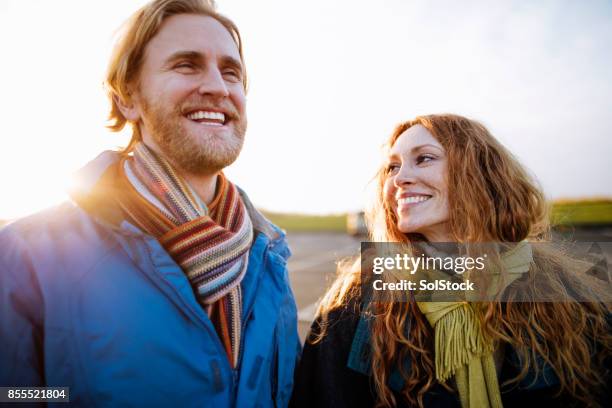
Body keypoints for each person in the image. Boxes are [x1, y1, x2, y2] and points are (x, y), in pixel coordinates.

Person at [0, 0, 300, 406]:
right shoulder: (27, 256)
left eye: (231, 72)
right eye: (186, 65)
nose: (217, 86)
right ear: (127, 98)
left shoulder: (270, 260)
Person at [290, 114, 611, 407]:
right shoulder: (358, 300)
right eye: (393, 166)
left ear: (480, 172)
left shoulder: (567, 294)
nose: (400, 178)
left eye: (424, 158)